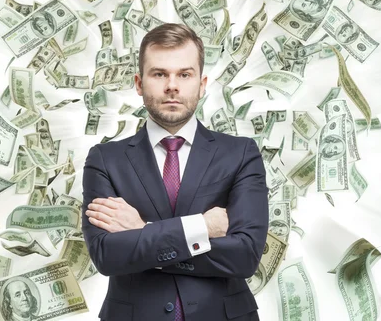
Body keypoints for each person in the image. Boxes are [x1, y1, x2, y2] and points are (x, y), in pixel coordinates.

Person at [83, 23, 268, 321]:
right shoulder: (105, 160)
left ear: (202, 84)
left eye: (184, 74)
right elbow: (107, 255)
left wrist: (142, 233)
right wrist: (201, 229)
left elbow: (244, 256)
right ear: (139, 83)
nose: (172, 85)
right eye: (159, 74)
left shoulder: (241, 154)